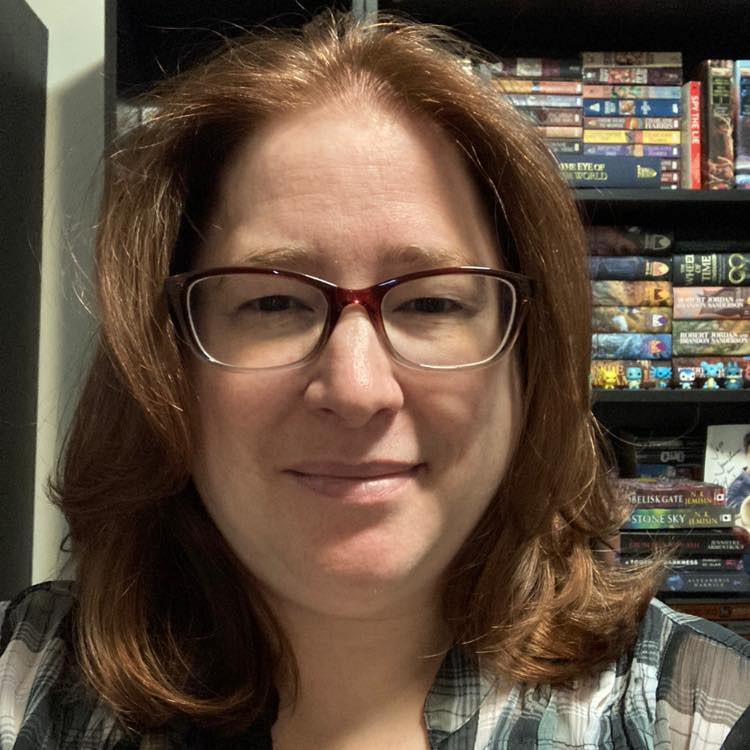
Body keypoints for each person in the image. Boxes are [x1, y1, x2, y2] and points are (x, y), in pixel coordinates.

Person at [2, 10, 749, 749]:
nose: (358, 390)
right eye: (272, 301)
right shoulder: (23, 684)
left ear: (528, 359)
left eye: (431, 302)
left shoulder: (704, 716)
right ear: (167, 359)